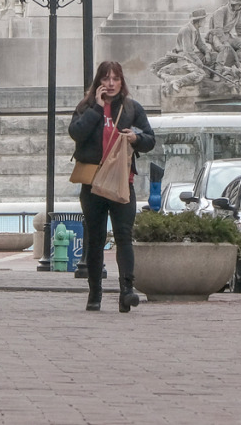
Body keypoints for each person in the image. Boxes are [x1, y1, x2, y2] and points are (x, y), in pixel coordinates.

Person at [68, 61, 156, 313]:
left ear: (121, 82)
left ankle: (127, 291)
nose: (110, 83)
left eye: (115, 79)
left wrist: (136, 138)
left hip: (121, 182)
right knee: (95, 240)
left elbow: (150, 140)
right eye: (105, 79)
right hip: (92, 182)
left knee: (124, 236)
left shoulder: (131, 108)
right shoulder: (86, 107)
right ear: (98, 82)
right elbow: (76, 133)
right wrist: (96, 108)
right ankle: (94, 293)